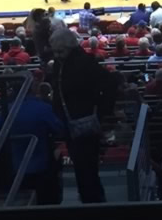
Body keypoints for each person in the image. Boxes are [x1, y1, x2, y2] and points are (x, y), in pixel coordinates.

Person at [51, 23, 119, 204]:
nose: (57, 56)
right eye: (55, 52)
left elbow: (110, 82)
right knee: (83, 168)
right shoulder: (61, 64)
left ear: (70, 47)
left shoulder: (85, 62)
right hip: (72, 126)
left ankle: (92, 203)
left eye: (60, 52)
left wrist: (101, 113)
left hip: (85, 125)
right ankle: (91, 199)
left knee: (86, 167)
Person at [0, 70, 66, 205]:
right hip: (41, 168)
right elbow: (59, 128)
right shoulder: (42, 108)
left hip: (14, 168)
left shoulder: (8, 110)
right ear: (31, 88)